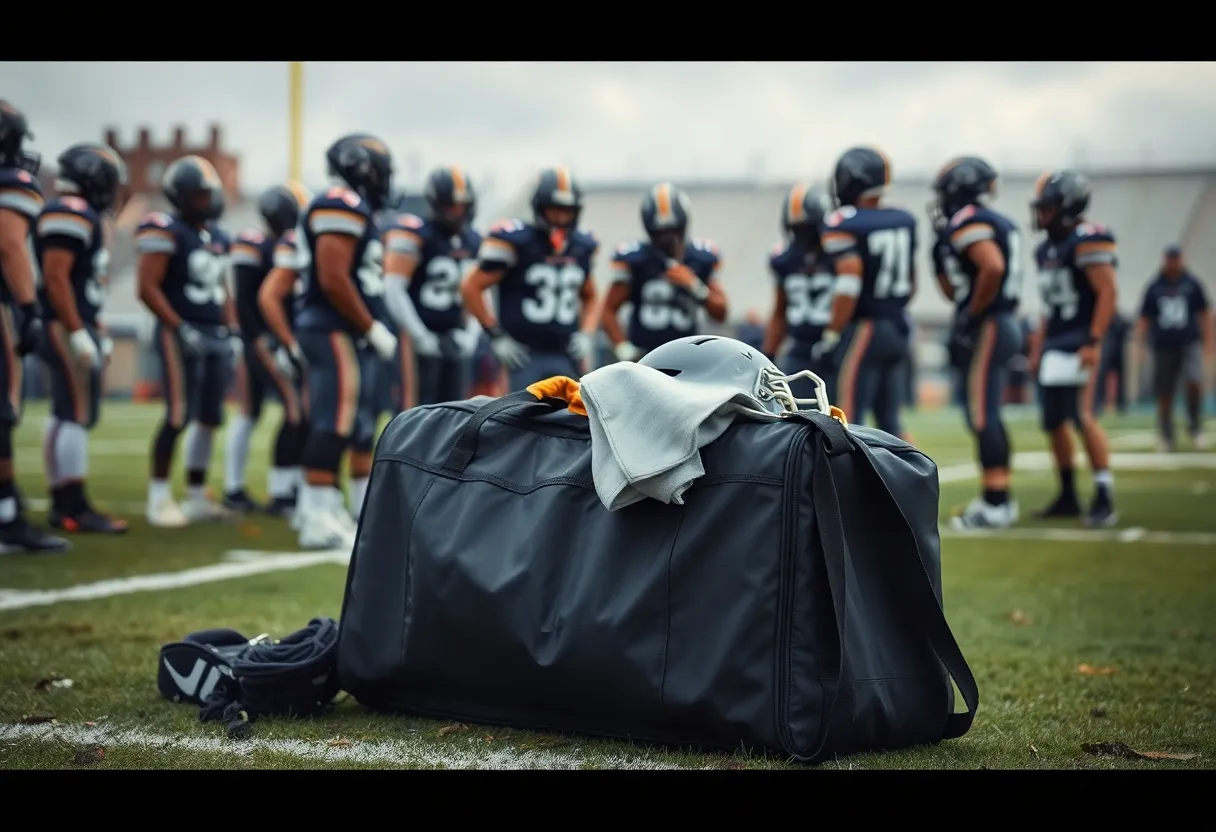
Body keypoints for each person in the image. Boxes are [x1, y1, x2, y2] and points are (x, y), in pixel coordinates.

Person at [291, 133, 398, 548]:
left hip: (335, 326)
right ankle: (316, 515)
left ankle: (319, 506)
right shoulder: (340, 202)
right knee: (333, 420)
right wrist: (369, 326)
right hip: (331, 326)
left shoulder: (348, 204)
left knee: (342, 420)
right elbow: (333, 276)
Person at [135, 155, 237, 528]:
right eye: (199, 195)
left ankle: (196, 497)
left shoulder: (219, 237)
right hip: (179, 331)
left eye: (209, 193)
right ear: (180, 197)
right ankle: (158, 498)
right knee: (178, 415)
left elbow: (222, 289)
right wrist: (178, 326)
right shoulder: (166, 230)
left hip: (214, 333)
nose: (207, 201)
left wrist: (232, 328)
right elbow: (146, 287)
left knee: (210, 418)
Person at [34, 142, 130, 534]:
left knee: (66, 412)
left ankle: (64, 501)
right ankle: (72, 504)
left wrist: (94, 327)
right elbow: (55, 276)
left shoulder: (79, 212)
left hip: (70, 321)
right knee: (76, 412)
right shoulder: (70, 211)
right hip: (62, 323)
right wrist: (77, 330)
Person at [931, 156, 1025, 530]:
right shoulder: (995, 220)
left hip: (991, 324)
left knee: (984, 414)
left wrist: (972, 313)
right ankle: (999, 498)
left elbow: (993, 267)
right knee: (982, 414)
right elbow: (953, 287)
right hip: (1001, 321)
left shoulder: (970, 220)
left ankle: (996, 503)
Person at [1029, 170, 1119, 528]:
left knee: (1082, 416)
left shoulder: (1087, 240)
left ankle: (1104, 494)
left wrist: (1094, 341)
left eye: (1048, 206)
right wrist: (1038, 347)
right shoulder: (1045, 250)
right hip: (1056, 341)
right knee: (1053, 422)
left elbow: (1108, 292)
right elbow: (1048, 307)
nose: (1042, 213)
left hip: (1082, 339)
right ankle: (1068, 494)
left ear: (1069, 206)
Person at [0, 99, 69, 553]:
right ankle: (6, 516)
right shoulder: (13, 184)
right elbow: (9, 245)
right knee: (2, 409)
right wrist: (28, 306)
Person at [460, 167, 599, 390]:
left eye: (567, 210)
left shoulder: (581, 245)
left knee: (571, 409)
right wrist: (496, 335)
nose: (561, 217)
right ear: (539, 208)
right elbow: (471, 287)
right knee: (519, 410)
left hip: (565, 353)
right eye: (554, 210)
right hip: (522, 355)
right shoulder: (517, 241)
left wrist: (586, 334)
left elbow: (591, 296)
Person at [813, 146, 917, 438]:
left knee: (847, 420)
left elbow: (849, 281)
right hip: (898, 325)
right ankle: (913, 467)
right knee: (891, 420)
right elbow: (911, 281)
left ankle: (849, 472)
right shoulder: (903, 218)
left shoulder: (843, 222)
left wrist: (832, 334)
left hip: (867, 329)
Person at [223, 182, 311, 513]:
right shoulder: (254, 244)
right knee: (266, 410)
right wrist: (264, 341)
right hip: (261, 340)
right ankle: (270, 490)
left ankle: (285, 486)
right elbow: (246, 301)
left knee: (290, 412)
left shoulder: (288, 245)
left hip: (282, 338)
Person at [382, 166, 482, 408]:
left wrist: (471, 334)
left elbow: (478, 291)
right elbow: (393, 287)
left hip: (454, 335)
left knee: (455, 410)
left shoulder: (473, 240)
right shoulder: (416, 232)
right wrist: (419, 334)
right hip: (415, 333)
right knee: (414, 409)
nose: (458, 212)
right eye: (451, 206)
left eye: (463, 206)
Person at [599, 183, 728, 362]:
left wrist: (695, 286)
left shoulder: (699, 258)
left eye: (673, 231)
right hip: (645, 358)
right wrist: (623, 348)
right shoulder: (637, 260)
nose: (668, 238)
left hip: (688, 356)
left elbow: (721, 313)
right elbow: (608, 310)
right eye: (661, 233)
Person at [761, 182, 836, 403]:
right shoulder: (784, 259)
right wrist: (768, 356)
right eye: (797, 229)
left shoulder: (838, 254)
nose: (802, 236)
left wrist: (835, 337)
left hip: (834, 347)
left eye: (807, 229)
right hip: (800, 348)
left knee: (845, 414)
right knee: (795, 413)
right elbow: (779, 311)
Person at [1134, 244, 1212, 450]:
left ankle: (1195, 427)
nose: (1173, 263)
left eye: (1176, 258)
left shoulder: (1192, 284)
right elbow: (1144, 318)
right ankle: (1166, 435)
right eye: (1170, 258)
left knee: (1194, 381)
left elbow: (1205, 313)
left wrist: (1209, 342)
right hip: (1163, 346)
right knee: (1164, 392)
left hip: (1189, 343)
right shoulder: (1155, 286)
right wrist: (1140, 345)